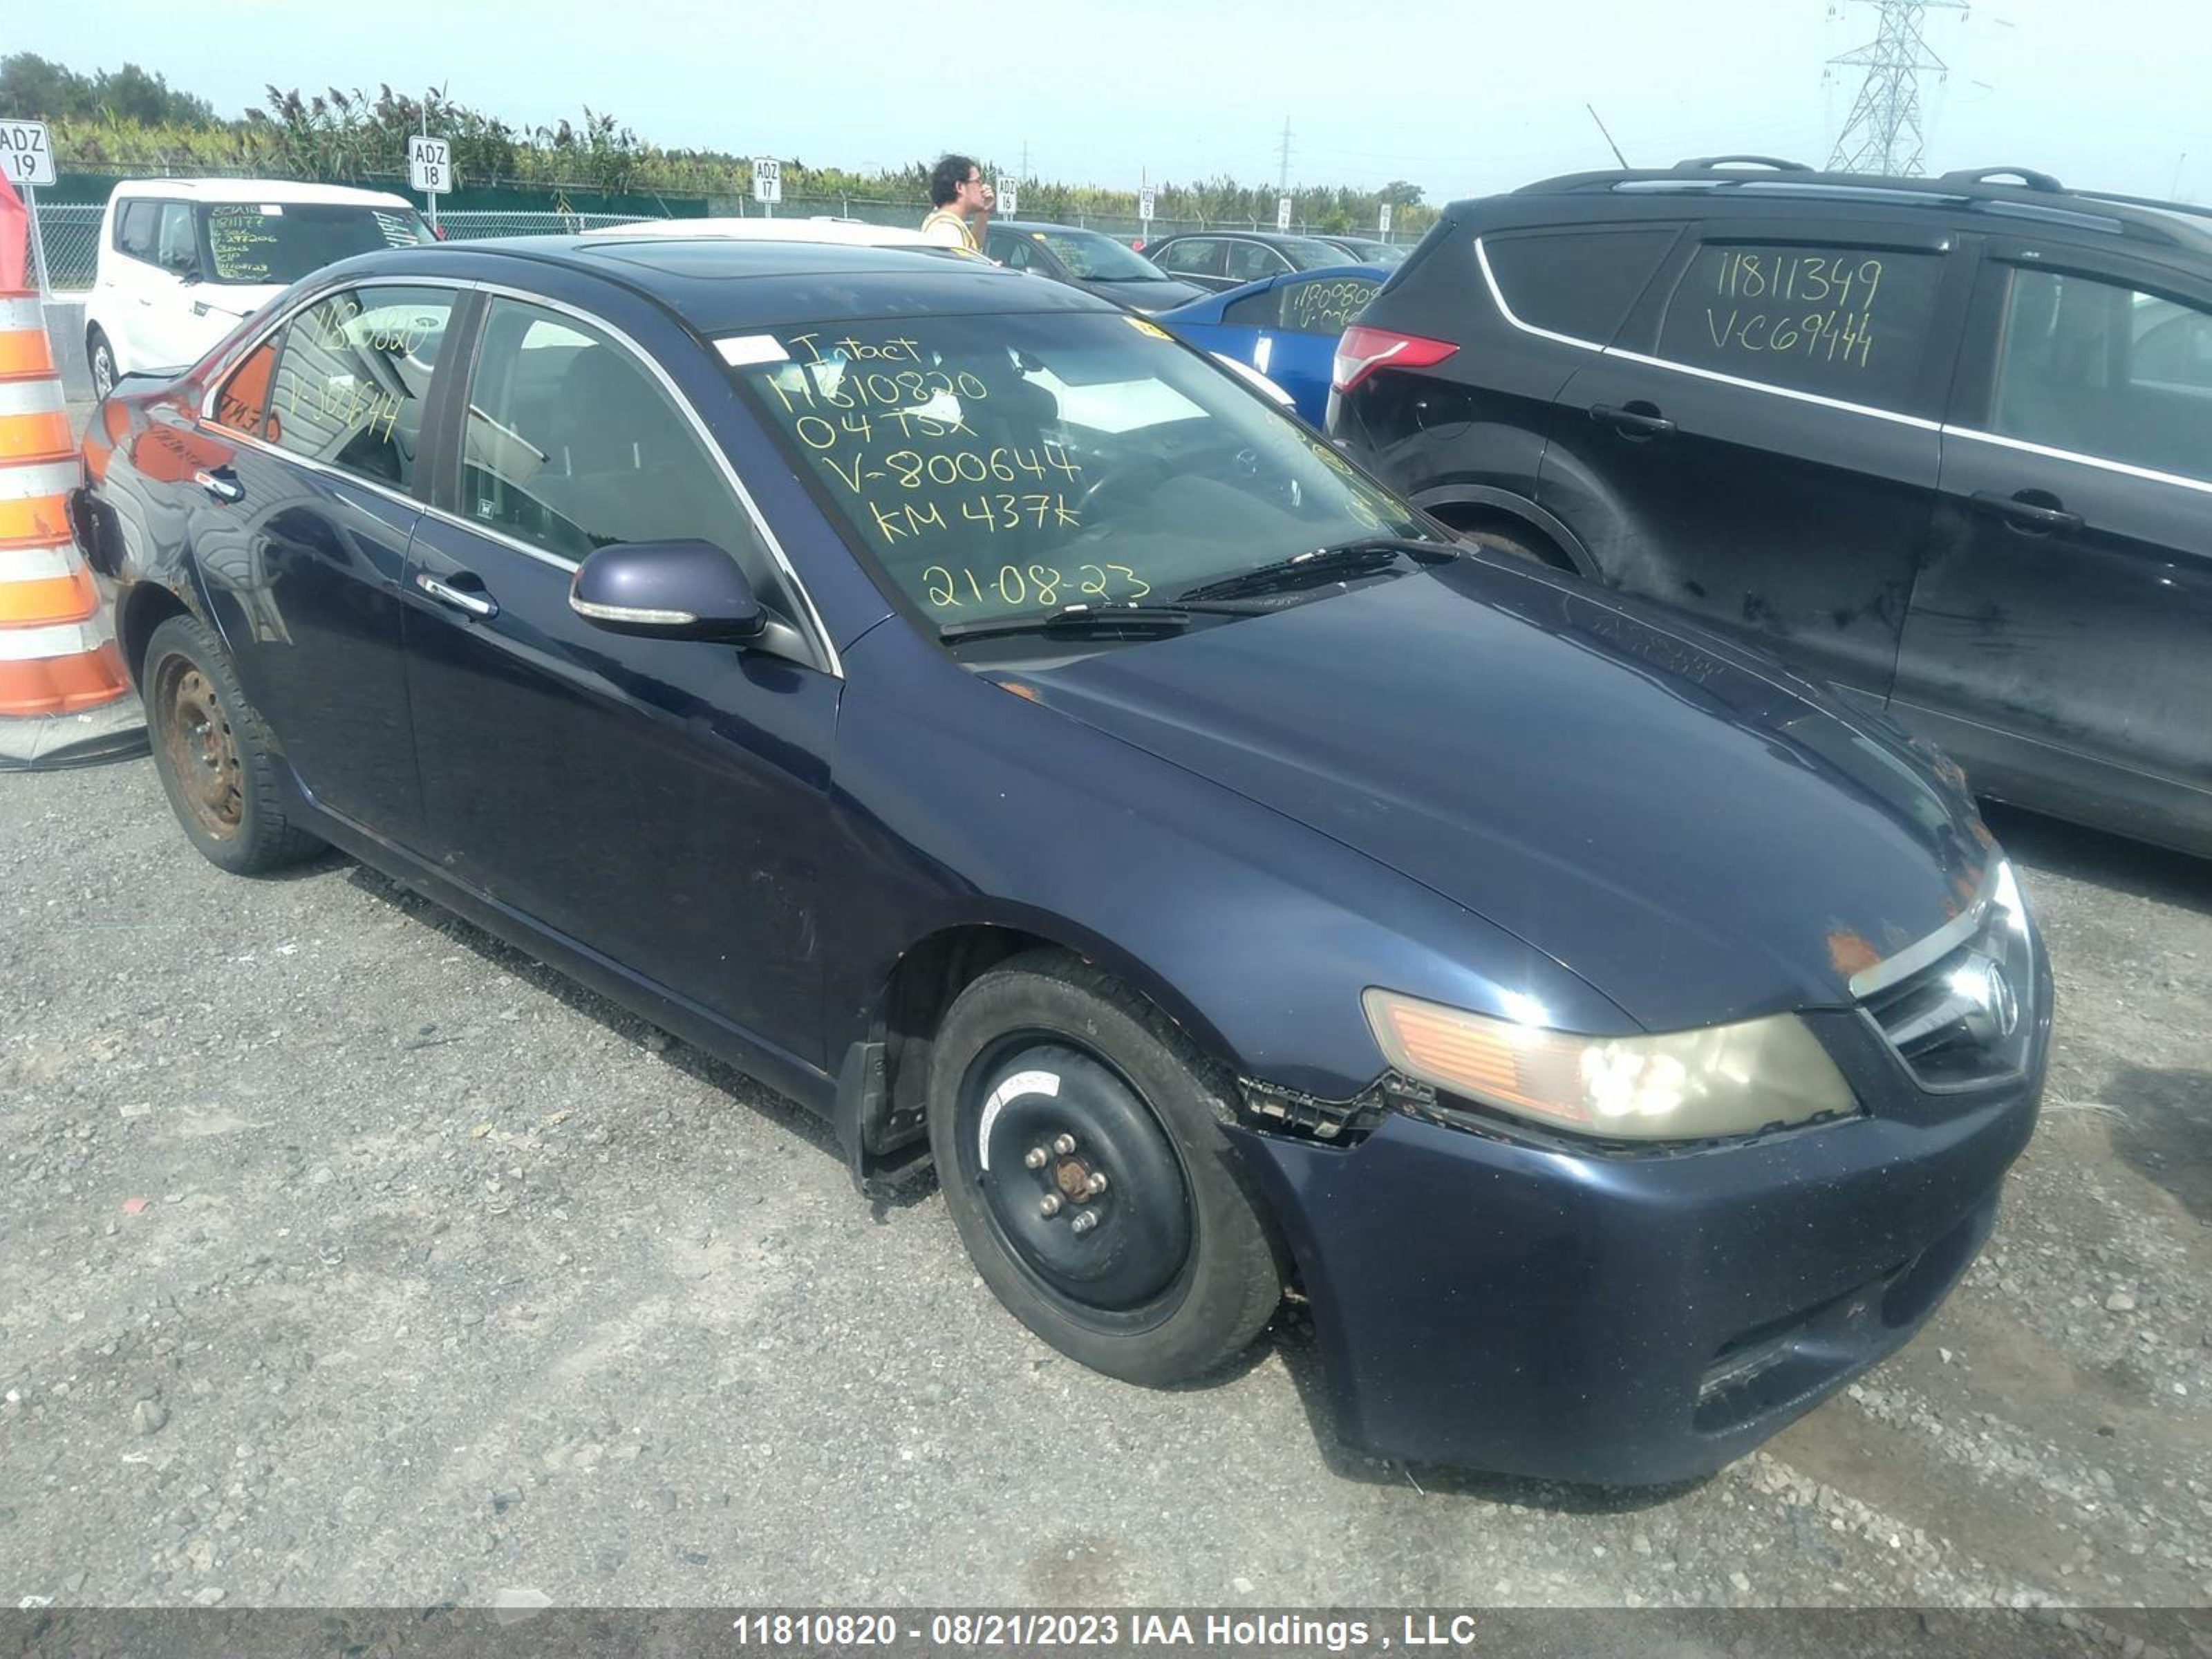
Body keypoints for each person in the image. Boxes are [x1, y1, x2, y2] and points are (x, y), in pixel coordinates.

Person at [921, 155, 993, 254]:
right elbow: (957, 267)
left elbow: (972, 250)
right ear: (959, 187)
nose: (983, 188)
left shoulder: (944, 222)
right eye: (978, 182)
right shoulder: (946, 231)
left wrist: (984, 211)